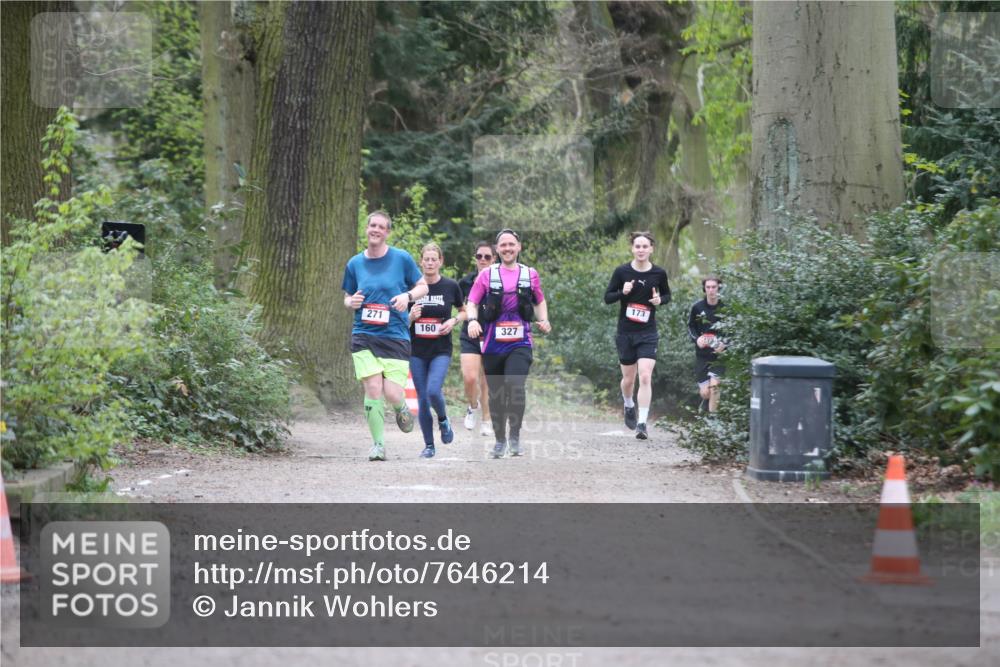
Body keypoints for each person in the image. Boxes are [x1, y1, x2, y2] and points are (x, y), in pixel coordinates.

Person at [342, 211, 428, 461]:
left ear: (387, 232)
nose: (376, 230)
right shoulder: (354, 263)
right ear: (367, 229)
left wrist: (407, 297)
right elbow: (347, 297)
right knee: (372, 387)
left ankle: (401, 406)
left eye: (381, 227)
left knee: (391, 393)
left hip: (395, 335)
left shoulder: (401, 259)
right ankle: (378, 444)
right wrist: (351, 302)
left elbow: (423, 286)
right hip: (364, 334)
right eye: (372, 225)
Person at [466, 229, 551, 459]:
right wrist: (473, 321)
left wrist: (544, 319)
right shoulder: (486, 275)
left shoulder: (530, 274)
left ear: (519, 247)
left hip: (521, 341)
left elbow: (540, 301)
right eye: (503, 245)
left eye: (511, 244)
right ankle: (499, 440)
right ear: (497, 249)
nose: (507, 248)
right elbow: (472, 302)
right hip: (493, 343)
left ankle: (514, 436)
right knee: (496, 394)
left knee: (515, 386)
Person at [604, 231, 671, 440]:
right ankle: (628, 404)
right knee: (628, 380)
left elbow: (667, 295)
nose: (641, 250)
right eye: (637, 246)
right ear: (632, 249)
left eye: (645, 246)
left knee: (645, 375)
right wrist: (622, 293)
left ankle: (642, 423)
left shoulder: (659, 273)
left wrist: (661, 300)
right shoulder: (621, 272)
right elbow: (607, 298)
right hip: (625, 333)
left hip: (648, 333)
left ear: (651, 249)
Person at [408, 243, 466, 459]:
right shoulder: (412, 288)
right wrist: (410, 318)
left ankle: (443, 419)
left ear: (441, 261)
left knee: (433, 391)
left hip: (441, 349)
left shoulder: (451, 286)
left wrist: (453, 320)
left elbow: (464, 311)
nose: (430, 263)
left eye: (434, 259)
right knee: (422, 398)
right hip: (417, 351)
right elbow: (399, 323)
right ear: (421, 261)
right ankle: (429, 445)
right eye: (426, 259)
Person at [458, 241, 495, 437]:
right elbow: (462, 309)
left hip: (492, 335)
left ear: (494, 259)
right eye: (479, 256)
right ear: (475, 259)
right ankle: (473, 406)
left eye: (487, 257)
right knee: (470, 377)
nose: (483, 260)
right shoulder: (465, 283)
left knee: (487, 380)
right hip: (470, 335)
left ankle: (487, 418)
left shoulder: (500, 281)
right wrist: (459, 318)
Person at [688, 275, 726, 413]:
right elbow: (690, 327)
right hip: (702, 356)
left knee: (715, 387)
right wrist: (697, 339)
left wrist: (724, 344)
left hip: (719, 356)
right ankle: (705, 401)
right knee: (706, 392)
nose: (711, 290)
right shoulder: (697, 307)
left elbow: (733, 331)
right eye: (708, 287)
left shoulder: (725, 308)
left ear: (719, 288)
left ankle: (713, 423)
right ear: (704, 289)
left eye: (714, 287)